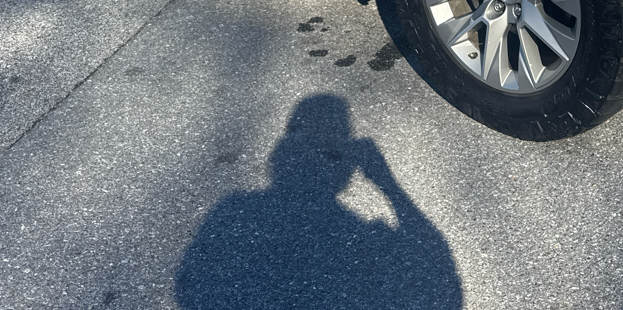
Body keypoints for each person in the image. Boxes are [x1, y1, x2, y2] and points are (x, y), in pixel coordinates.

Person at [175, 94, 462, 309]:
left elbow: (189, 283)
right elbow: (441, 278)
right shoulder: (236, 211)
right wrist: (389, 187)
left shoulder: (234, 211)